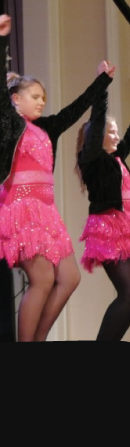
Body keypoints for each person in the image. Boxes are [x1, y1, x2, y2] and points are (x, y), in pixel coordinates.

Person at [0, 13, 113, 341]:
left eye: (43, 97)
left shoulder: (46, 127)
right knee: (42, 279)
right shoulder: (10, 122)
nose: (42, 101)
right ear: (16, 100)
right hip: (20, 208)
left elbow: (75, 109)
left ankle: (38, 340)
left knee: (69, 277)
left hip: (46, 213)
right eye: (35, 96)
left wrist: (101, 82)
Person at [75, 63, 130, 340]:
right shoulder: (93, 160)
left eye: (116, 132)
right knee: (129, 294)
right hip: (107, 230)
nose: (116, 137)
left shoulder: (116, 158)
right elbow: (97, 120)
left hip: (126, 228)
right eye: (111, 132)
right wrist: (102, 86)